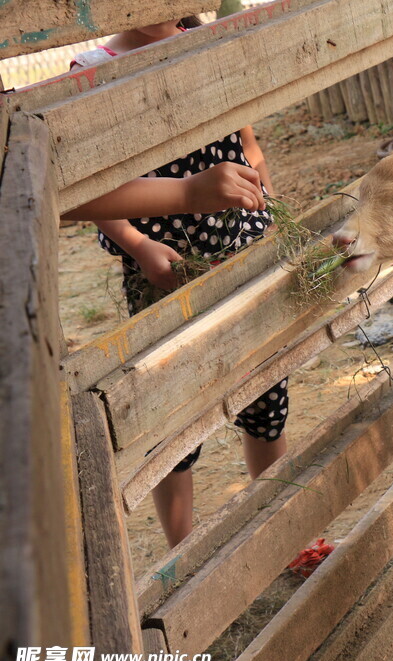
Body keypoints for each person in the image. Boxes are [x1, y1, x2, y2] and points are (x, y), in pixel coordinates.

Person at [63, 18, 289, 548]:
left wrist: (271, 211)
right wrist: (138, 246)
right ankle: (181, 553)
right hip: (164, 272)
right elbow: (87, 189)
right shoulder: (92, 73)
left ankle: (281, 531)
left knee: (266, 394)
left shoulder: (208, 44)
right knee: (170, 415)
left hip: (243, 253)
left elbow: (247, 143)